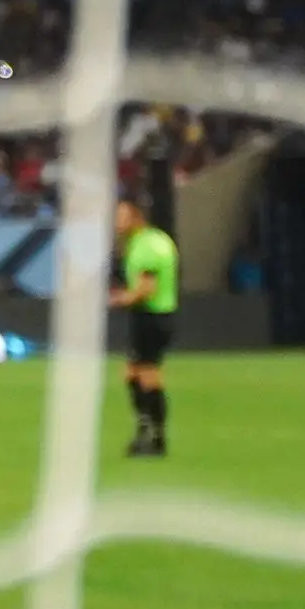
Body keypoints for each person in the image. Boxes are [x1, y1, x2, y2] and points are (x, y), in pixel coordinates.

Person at [112, 194, 178, 458]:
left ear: (136, 216)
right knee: (132, 373)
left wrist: (120, 299)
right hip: (156, 317)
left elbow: (147, 288)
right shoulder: (155, 240)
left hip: (151, 317)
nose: (117, 222)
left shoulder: (146, 247)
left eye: (122, 216)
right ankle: (145, 431)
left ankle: (156, 438)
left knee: (147, 376)